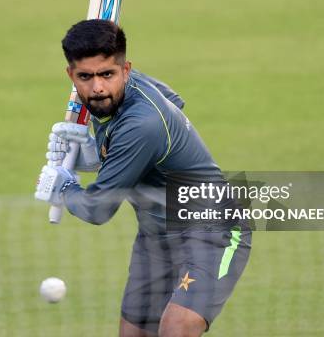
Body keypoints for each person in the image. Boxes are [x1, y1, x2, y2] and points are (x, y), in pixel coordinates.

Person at [35, 19, 251, 337]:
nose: (97, 88)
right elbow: (174, 100)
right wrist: (97, 151)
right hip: (155, 238)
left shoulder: (142, 124)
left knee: (175, 329)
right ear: (71, 75)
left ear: (125, 69)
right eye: (86, 76)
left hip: (211, 231)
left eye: (107, 74)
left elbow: (97, 209)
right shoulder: (127, 91)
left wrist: (66, 187)